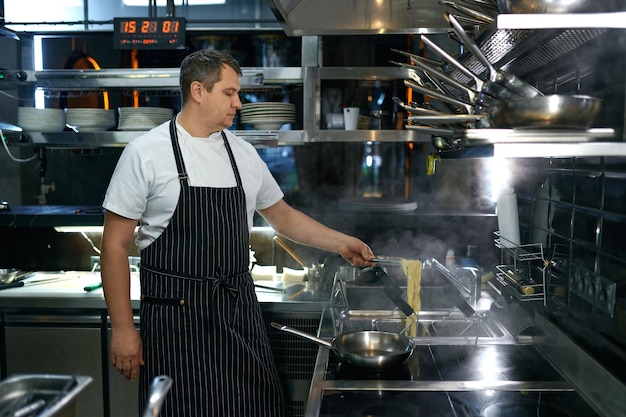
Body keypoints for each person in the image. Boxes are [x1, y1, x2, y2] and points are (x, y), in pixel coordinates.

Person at [100, 49, 375, 417]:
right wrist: (122, 328)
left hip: (238, 316)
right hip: (176, 324)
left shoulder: (242, 153)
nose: (239, 103)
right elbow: (114, 246)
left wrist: (341, 242)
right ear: (198, 91)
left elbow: (283, 217)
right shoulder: (145, 153)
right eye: (229, 93)